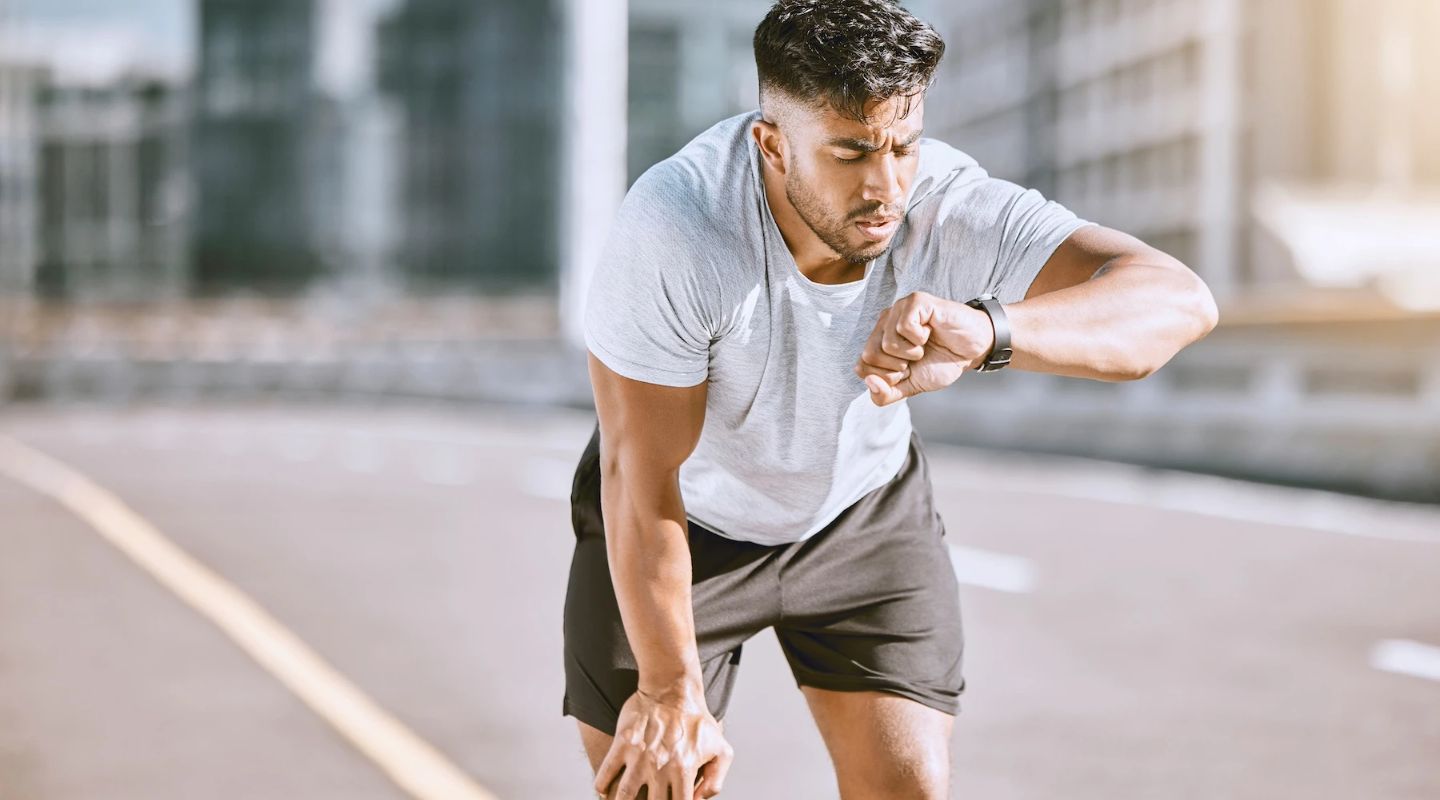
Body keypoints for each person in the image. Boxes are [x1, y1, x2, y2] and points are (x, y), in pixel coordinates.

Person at [563, 1, 1220, 797]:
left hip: (860, 512)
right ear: (772, 144)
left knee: (909, 784)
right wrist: (670, 691)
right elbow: (639, 477)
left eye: (903, 147)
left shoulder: (944, 205)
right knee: (653, 782)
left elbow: (1180, 301)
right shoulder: (681, 229)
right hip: (686, 522)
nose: (885, 186)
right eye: (850, 152)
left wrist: (990, 329)